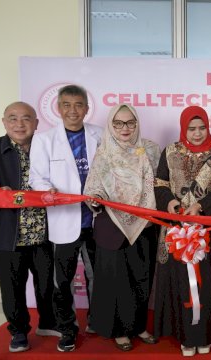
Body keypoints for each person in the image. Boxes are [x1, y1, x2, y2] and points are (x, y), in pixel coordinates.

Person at [0, 102, 59, 352]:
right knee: (11, 287)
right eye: (13, 119)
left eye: (26, 119)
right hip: (5, 234)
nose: (19, 124)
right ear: (4, 122)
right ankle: (19, 332)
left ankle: (48, 322)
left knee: (46, 283)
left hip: (43, 232)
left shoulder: (48, 147)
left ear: (36, 123)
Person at [153, 105, 211, 356]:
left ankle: (206, 335)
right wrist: (172, 203)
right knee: (181, 284)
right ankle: (185, 337)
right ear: (183, 128)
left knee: (206, 283)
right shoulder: (170, 152)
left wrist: (199, 207)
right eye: (192, 128)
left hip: (207, 230)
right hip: (176, 230)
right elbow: (160, 184)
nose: (197, 133)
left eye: (202, 128)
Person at [29, 84, 103, 352]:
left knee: (99, 276)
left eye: (79, 105)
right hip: (64, 221)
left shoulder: (101, 134)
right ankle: (67, 329)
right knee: (64, 281)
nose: (73, 110)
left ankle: (98, 321)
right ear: (59, 108)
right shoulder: (45, 139)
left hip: (96, 219)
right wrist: (46, 190)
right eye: (67, 105)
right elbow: (37, 177)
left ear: (86, 107)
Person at [83, 104, 160, 351]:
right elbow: (93, 185)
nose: (124, 128)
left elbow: (160, 183)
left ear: (137, 123)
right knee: (116, 282)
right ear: (110, 125)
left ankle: (139, 326)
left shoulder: (150, 149)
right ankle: (119, 331)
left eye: (130, 123)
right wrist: (95, 197)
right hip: (112, 225)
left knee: (142, 277)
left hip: (144, 225)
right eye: (118, 123)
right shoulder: (103, 152)